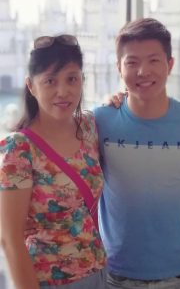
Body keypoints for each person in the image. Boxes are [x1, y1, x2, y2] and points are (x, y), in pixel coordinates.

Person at [93, 18, 180, 289]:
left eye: (154, 60)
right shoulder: (99, 122)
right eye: (132, 62)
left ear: (170, 64)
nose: (143, 71)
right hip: (113, 272)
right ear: (118, 68)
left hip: (175, 272)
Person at [0, 35, 106, 289]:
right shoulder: (19, 149)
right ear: (31, 86)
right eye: (50, 81)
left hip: (100, 274)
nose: (63, 91)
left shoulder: (89, 128)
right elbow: (10, 238)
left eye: (72, 79)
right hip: (48, 281)